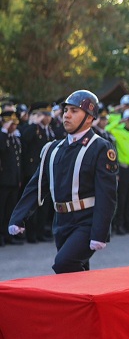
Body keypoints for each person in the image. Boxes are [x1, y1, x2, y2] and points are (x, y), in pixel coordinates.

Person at [8, 90, 117, 273]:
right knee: (73, 275)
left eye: (74, 111)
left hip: (86, 222)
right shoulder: (53, 148)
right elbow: (37, 185)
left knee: (63, 264)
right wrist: (19, 217)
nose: (67, 115)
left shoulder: (100, 148)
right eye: (66, 110)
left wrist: (100, 232)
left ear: (89, 117)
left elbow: (107, 195)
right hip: (61, 221)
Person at [19, 102, 57, 243]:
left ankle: (40, 232)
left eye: (48, 115)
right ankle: (31, 234)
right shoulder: (33, 128)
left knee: (44, 205)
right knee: (33, 205)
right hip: (33, 172)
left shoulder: (49, 130)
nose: (47, 118)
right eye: (44, 115)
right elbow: (25, 139)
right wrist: (34, 123)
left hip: (46, 172)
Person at [0, 110, 23, 246]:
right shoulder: (2, 137)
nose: (13, 126)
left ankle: (8, 235)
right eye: (11, 123)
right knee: (1, 210)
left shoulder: (14, 138)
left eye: (14, 124)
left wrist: (18, 178)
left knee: (10, 210)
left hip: (13, 180)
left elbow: (18, 160)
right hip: (3, 181)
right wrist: (3, 131)